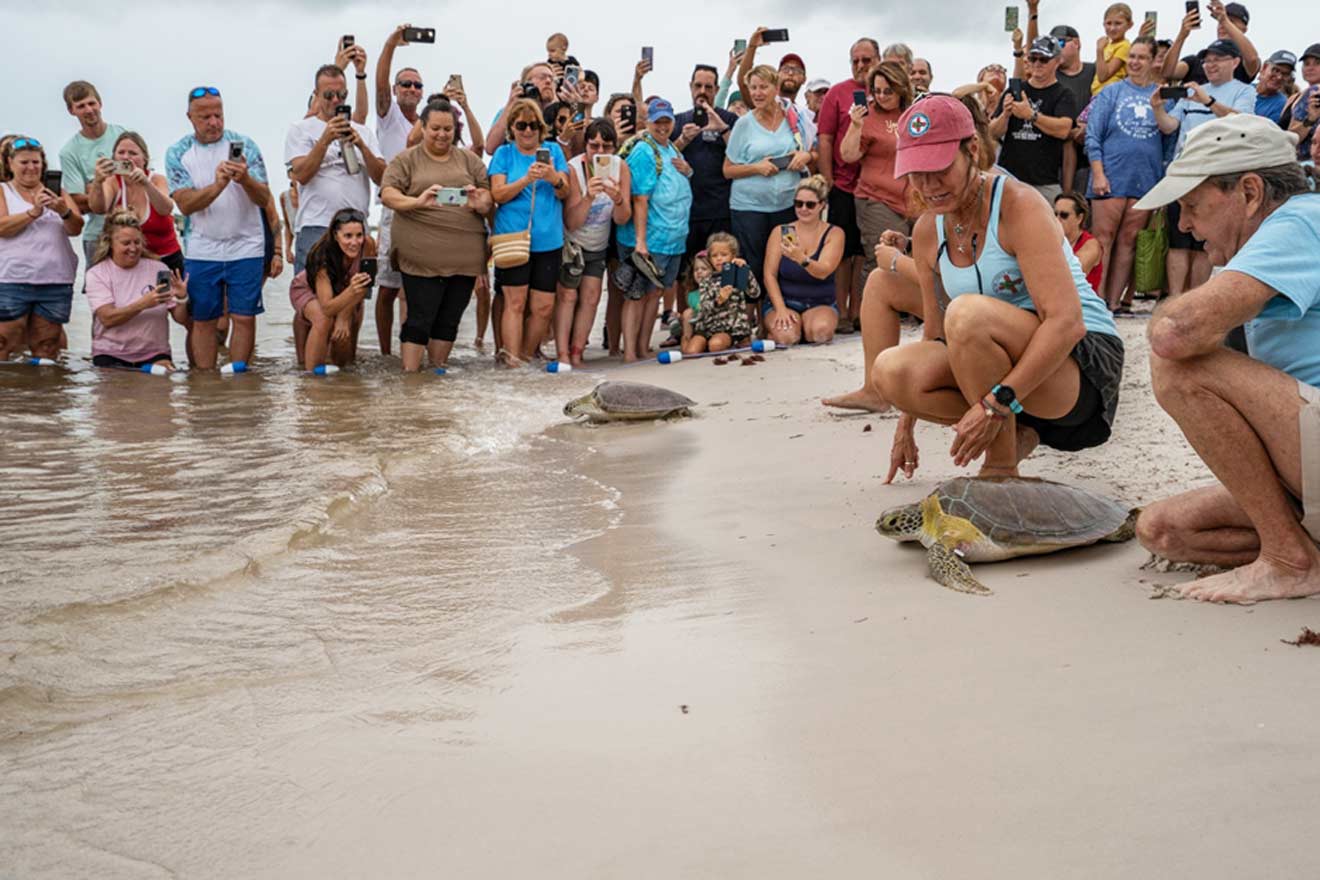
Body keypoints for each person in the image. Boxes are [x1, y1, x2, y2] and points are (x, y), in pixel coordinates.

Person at [873, 95, 1124, 482]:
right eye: (915, 172)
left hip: (1081, 364)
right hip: (1006, 373)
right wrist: (905, 427)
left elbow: (1066, 323)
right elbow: (934, 333)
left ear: (972, 149)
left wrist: (995, 404)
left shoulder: (1019, 205)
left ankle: (1000, 470)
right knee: (892, 371)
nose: (928, 185)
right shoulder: (927, 229)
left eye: (938, 168)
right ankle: (1017, 437)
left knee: (968, 315)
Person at [1130, 114, 1320, 603]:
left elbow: (1175, 334)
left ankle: (1289, 560)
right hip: (1306, 463)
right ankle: (1298, 548)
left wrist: (1176, 319)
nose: (1186, 224)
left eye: (1192, 205)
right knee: (1164, 531)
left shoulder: (1299, 219)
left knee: (1176, 363)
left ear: (1250, 193)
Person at [823, 95, 999, 414]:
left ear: (971, 145)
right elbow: (955, 254)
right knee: (880, 281)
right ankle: (875, 390)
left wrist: (895, 260)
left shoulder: (998, 190)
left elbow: (970, 279)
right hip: (966, 308)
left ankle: (993, 411)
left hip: (994, 319)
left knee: (893, 276)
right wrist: (907, 245)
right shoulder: (947, 192)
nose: (927, 179)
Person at [380, 98, 493, 372]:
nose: (442, 134)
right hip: (420, 257)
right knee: (419, 317)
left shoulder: (469, 160)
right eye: (435, 128)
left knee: (449, 318)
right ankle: (411, 378)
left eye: (448, 129)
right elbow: (388, 194)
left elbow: (488, 195)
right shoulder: (406, 159)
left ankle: (436, 373)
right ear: (423, 127)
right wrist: (417, 201)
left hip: (464, 260)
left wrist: (480, 202)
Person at [165, 86, 273, 370]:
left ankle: (238, 378)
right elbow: (185, 205)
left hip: (247, 244)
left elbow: (264, 198)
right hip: (203, 247)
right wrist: (218, 186)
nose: (214, 122)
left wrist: (245, 179)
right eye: (205, 117)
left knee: (244, 317)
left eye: (218, 114)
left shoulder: (244, 145)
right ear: (190, 117)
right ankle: (205, 383)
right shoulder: (178, 152)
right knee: (203, 318)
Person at [1153, 39, 1256, 301]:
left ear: (1234, 62)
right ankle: (1176, 298)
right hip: (1184, 171)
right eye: (1207, 60)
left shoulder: (1244, 91)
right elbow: (1169, 126)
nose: (1210, 65)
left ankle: (1197, 298)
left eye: (1217, 59)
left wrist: (1208, 101)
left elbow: (1242, 122)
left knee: (1204, 241)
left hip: (1218, 175)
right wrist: (1156, 107)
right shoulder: (1191, 91)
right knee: (1178, 237)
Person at [489, 98, 570, 365]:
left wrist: (552, 177)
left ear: (541, 128)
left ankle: (523, 355)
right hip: (512, 236)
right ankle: (512, 362)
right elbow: (497, 193)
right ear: (512, 127)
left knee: (544, 308)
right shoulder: (504, 154)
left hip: (548, 239)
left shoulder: (553, 151)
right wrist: (526, 179)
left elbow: (565, 191)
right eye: (521, 125)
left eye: (533, 125)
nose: (527, 131)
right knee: (514, 303)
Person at [285, 64, 386, 275]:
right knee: (311, 299)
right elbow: (301, 175)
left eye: (341, 95)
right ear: (316, 95)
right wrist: (325, 140)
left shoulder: (364, 132)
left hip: (356, 228)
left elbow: (382, 178)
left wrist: (361, 146)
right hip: (317, 224)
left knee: (355, 297)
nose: (335, 100)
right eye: (329, 95)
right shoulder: (300, 129)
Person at [1085, 36, 1161, 312]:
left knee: (1130, 240)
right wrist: (1098, 173)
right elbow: (1093, 135)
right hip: (1111, 174)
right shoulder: (1111, 92)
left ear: (1153, 61)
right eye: (1132, 56)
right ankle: (1096, 300)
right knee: (1103, 239)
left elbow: (1167, 135)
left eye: (1142, 57)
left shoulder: (1159, 95)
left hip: (1145, 178)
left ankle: (1115, 302)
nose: (1135, 62)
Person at [614, 99, 693, 362]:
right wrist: (640, 242)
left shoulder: (671, 148)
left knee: (655, 294)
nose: (662, 126)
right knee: (637, 295)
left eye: (666, 121)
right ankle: (631, 353)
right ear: (648, 122)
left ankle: (643, 347)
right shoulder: (644, 151)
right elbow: (640, 198)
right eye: (657, 121)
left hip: (672, 239)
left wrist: (689, 171)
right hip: (649, 239)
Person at [723, 65, 815, 293]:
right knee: (752, 265)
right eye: (753, 88)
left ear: (775, 88)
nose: (757, 93)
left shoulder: (794, 118)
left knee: (785, 261)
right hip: (749, 207)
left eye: (763, 87)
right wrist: (757, 167)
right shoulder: (743, 124)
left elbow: (815, 151)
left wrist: (805, 155)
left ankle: (778, 318)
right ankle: (752, 320)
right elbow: (728, 169)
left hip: (786, 205)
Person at [816, 39, 879, 332]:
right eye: (855, 60)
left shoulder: (884, 92)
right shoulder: (836, 94)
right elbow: (825, 138)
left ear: (878, 59)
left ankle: (859, 310)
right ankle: (841, 310)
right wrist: (827, 178)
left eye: (866, 59)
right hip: (842, 183)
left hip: (874, 184)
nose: (861, 65)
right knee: (842, 253)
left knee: (865, 253)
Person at [0, 137, 82, 360]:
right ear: (10, 163)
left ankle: (46, 394)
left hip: (55, 280)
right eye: (24, 162)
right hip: (11, 279)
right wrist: (33, 212)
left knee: (47, 346)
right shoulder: (3, 191)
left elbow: (76, 228)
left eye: (36, 162)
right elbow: (2, 227)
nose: (31, 168)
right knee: (3, 343)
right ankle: (11, 395)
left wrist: (64, 210)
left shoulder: (57, 192)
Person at [373, 24, 428, 356]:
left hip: (422, 207)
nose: (410, 87)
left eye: (416, 84)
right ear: (396, 90)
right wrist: (390, 44)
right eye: (405, 83)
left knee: (414, 287)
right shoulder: (388, 115)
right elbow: (379, 84)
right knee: (387, 288)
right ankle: (383, 352)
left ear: (422, 92)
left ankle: (410, 350)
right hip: (393, 206)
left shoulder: (428, 121)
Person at [558, 119, 630, 367]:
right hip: (572, 244)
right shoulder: (573, 168)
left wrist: (619, 199)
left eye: (607, 147)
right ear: (586, 145)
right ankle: (563, 355)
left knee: (591, 297)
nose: (600, 152)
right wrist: (589, 195)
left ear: (615, 148)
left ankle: (577, 353)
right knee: (567, 296)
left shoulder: (620, 168)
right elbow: (572, 221)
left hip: (598, 245)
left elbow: (623, 218)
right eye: (594, 145)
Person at [84, 211, 189, 370]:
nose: (133, 248)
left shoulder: (159, 269)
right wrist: (143, 304)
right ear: (110, 243)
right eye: (126, 243)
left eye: (137, 242)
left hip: (155, 353)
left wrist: (182, 298)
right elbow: (107, 319)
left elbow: (180, 319)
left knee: (166, 380)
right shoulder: (97, 274)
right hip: (110, 353)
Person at [839, 61, 913, 278]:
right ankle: (871, 312)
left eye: (888, 91)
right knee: (882, 264)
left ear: (901, 88)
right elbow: (848, 155)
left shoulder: (912, 113)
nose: (881, 96)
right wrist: (855, 125)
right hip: (878, 200)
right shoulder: (868, 116)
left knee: (910, 264)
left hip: (912, 203)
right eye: (877, 91)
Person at [990, 37, 1080, 203]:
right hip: (1009, 179)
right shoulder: (1014, 90)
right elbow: (992, 133)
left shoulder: (1064, 94)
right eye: (1033, 58)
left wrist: (1030, 115)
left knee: (1049, 226)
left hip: (1044, 182)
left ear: (1058, 61)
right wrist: (1005, 115)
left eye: (1044, 59)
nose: (1037, 63)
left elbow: (1063, 129)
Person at [287, 209, 375, 370]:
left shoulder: (368, 245)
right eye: (348, 236)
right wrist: (349, 292)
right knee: (323, 318)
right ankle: (312, 377)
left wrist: (343, 317)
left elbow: (364, 287)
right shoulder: (323, 256)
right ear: (336, 235)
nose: (354, 242)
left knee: (346, 352)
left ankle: (340, 373)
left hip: (345, 289)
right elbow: (327, 308)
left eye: (359, 235)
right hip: (307, 289)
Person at [761, 174, 843, 346]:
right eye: (799, 203)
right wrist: (781, 309)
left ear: (822, 205)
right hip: (786, 300)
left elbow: (824, 271)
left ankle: (804, 326)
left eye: (810, 204)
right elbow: (769, 275)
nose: (803, 209)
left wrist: (801, 259)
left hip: (821, 301)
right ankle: (786, 327)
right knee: (787, 338)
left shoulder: (834, 233)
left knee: (820, 333)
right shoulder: (783, 231)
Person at [673, 65, 738, 273]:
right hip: (687, 211)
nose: (703, 91)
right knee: (688, 274)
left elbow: (741, 157)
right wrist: (682, 140)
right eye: (698, 85)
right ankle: (687, 308)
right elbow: (663, 159)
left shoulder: (729, 120)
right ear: (690, 87)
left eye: (708, 87)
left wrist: (723, 129)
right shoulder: (678, 120)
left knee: (724, 272)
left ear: (716, 90)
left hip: (721, 211)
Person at [87, 133, 182, 274]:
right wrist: (98, 181)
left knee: (171, 295)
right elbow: (98, 208)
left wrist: (146, 184)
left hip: (166, 259)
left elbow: (166, 209)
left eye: (133, 153)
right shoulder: (112, 182)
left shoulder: (157, 180)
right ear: (114, 157)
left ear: (144, 159)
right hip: (129, 262)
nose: (126, 157)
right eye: (121, 153)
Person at [57, 81, 125, 268]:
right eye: (80, 106)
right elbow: (77, 201)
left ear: (100, 103)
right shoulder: (69, 152)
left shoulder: (122, 135)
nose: (88, 110)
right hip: (97, 236)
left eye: (91, 103)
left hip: (131, 231)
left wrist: (96, 188)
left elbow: (140, 177)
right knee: (100, 295)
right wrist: (113, 187)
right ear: (71, 111)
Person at [683, 231, 759, 354]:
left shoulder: (737, 273)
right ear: (709, 258)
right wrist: (719, 300)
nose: (719, 258)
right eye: (714, 255)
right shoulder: (707, 279)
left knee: (715, 345)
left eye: (724, 254)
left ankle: (737, 340)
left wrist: (746, 271)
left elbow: (754, 293)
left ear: (733, 255)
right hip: (708, 327)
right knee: (692, 351)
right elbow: (704, 307)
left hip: (731, 328)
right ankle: (688, 340)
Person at [1049, 25, 1099, 194]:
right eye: (1052, 46)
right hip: (1054, 163)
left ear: (1076, 43)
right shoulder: (1050, 76)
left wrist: (1088, 128)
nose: (1056, 49)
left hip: (1091, 160)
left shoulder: (1096, 71)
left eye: (1060, 42)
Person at [1161, 1, 1260, 86]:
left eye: (1231, 22)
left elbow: (1252, 59)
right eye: (1219, 21)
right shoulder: (1196, 60)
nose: (1222, 25)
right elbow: (1167, 72)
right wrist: (1182, 35)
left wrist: (1225, 21)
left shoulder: (1242, 63)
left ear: (1244, 29)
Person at [484, 62, 558, 154]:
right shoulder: (509, 111)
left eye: (552, 79)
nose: (548, 81)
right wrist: (511, 104)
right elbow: (490, 148)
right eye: (542, 78)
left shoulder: (560, 113)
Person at [1054, 192, 1104, 294]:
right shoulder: (1054, 240)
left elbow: (1071, 277)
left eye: (1064, 215)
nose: (1057, 220)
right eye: (1055, 214)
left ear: (1079, 218)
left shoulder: (1091, 245)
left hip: (1083, 303)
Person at [1281, 44, 1320, 161]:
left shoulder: (1313, 91)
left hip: (1308, 164)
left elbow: (1292, 137)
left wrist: (1310, 120)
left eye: (1317, 63)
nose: (1310, 68)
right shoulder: (1294, 97)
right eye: (1306, 64)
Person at [1092, 3, 1134, 94]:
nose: (1112, 28)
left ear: (1129, 25)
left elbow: (1103, 76)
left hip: (1110, 94)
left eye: (1118, 23)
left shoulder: (1124, 46)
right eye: (1108, 23)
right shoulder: (1107, 45)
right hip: (1098, 93)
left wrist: (1099, 50)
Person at [1255, 51, 1297, 124]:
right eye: (1275, 70)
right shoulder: (1243, 89)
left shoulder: (1282, 105)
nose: (1279, 77)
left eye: (1285, 74)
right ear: (1264, 67)